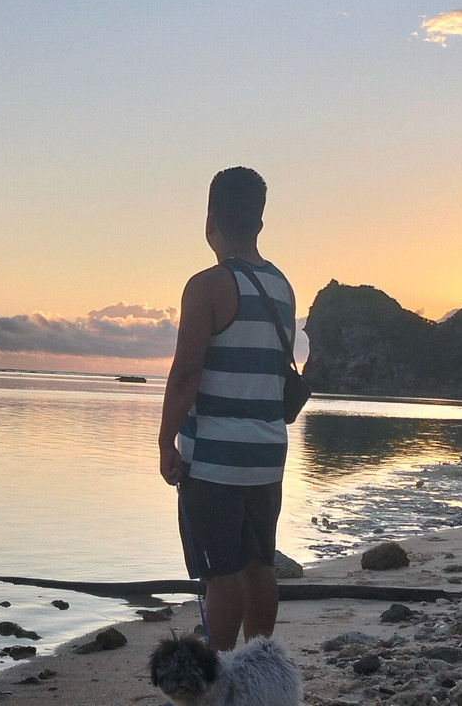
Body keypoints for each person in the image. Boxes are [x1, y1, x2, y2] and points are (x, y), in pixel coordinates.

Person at [157, 166, 296, 652]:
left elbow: (185, 374)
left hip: (215, 459)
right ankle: (260, 669)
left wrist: (164, 440)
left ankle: (216, 678)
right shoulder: (282, 287)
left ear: (209, 222)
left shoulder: (206, 286)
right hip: (267, 458)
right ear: (259, 223)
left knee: (221, 575)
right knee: (260, 565)